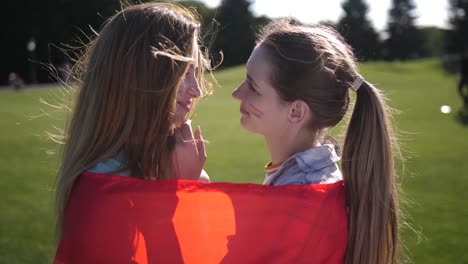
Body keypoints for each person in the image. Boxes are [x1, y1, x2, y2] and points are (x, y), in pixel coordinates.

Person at [232, 19, 402, 264]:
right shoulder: (303, 182)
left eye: (253, 86)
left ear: (296, 113)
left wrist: (187, 191)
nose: (237, 93)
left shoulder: (298, 199)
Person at [54, 2, 211, 241]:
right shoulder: (105, 187)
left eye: (196, 72)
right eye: (184, 72)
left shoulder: (155, 161)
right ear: (144, 77)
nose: (197, 90)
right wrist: (179, 189)